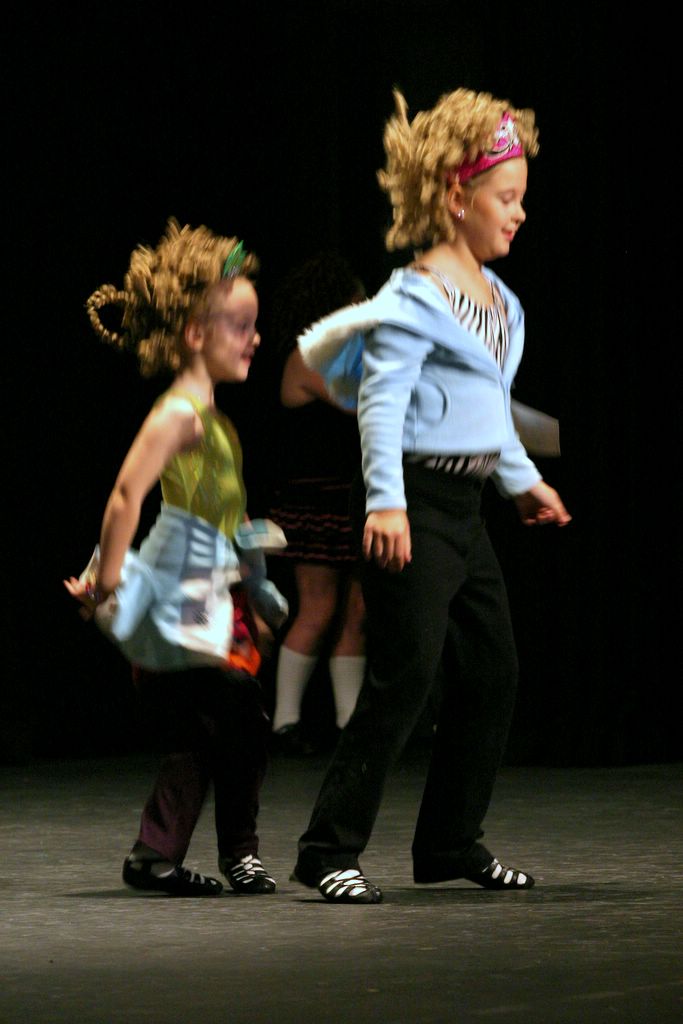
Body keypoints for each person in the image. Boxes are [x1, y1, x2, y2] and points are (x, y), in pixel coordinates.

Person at [290, 87, 572, 903]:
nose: (519, 213)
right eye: (506, 198)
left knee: (492, 670)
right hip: (408, 497)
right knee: (405, 675)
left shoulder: (502, 305)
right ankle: (326, 849)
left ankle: (449, 841)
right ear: (456, 196)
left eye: (521, 198)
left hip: (463, 508)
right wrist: (385, 502)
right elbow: (380, 402)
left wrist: (522, 483)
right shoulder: (415, 297)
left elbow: (488, 415)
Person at [64, 218, 287, 897]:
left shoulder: (212, 420)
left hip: (212, 588)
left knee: (217, 723)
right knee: (235, 712)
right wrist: (107, 587)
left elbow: (221, 514)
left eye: (254, 326)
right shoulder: (180, 414)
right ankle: (231, 851)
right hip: (178, 591)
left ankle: (160, 854)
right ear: (194, 333)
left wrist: (251, 581)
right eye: (239, 327)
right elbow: (125, 496)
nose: (254, 339)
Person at [266, 253, 367, 754]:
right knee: (319, 607)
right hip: (314, 498)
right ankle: (284, 723)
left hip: (348, 497)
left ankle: (350, 726)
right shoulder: (306, 358)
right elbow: (358, 401)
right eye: (357, 302)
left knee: (356, 612)